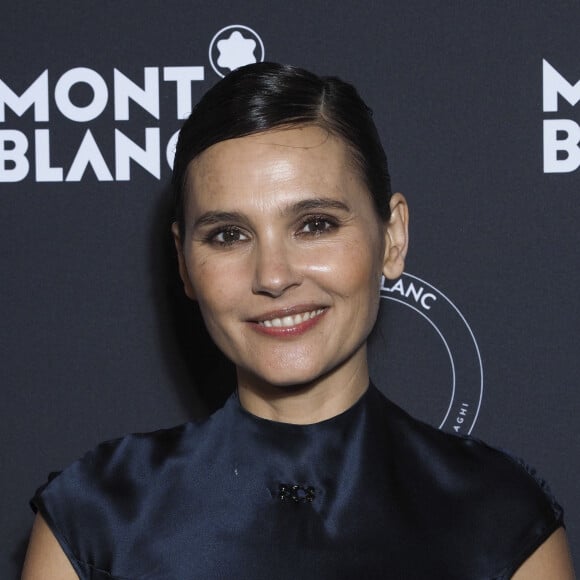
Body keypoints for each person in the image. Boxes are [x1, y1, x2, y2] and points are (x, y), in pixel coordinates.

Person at [22, 62, 574, 579]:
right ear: (184, 264)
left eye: (314, 224)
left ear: (393, 238)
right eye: (228, 235)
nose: (274, 275)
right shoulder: (97, 517)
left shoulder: (499, 520)